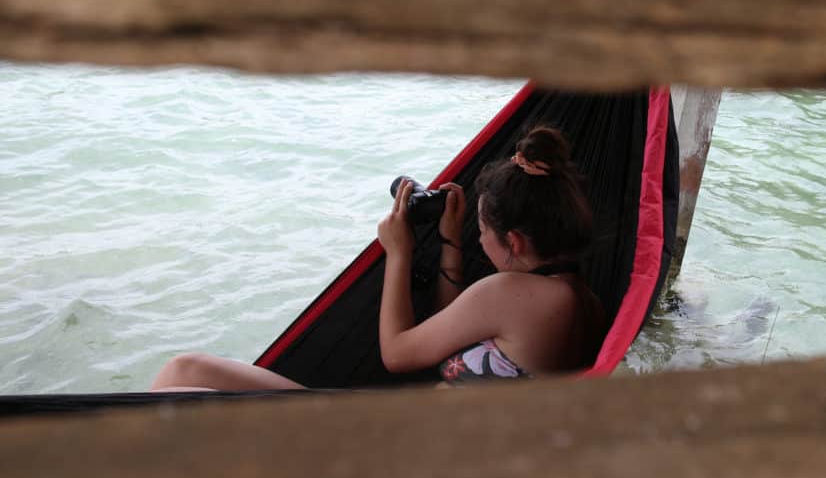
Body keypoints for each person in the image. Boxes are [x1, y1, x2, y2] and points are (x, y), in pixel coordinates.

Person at [150, 126, 603, 391]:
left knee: (183, 371)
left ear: (516, 241)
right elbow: (447, 331)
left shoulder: (510, 292)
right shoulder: (579, 298)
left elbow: (398, 354)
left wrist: (399, 254)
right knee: (189, 377)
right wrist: (450, 241)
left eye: (482, 232)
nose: (480, 242)